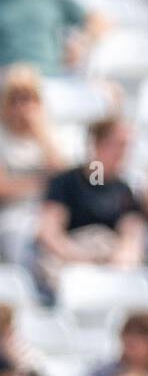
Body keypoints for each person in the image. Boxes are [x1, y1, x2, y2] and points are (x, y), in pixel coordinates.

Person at [36, 118, 144, 293]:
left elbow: (131, 236)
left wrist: (120, 259)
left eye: (126, 146)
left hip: (109, 259)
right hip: (71, 256)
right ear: (96, 144)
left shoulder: (124, 189)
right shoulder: (66, 182)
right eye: (117, 145)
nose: (123, 152)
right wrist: (78, 257)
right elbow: (49, 232)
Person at [0, 64, 70, 266]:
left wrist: (41, 136)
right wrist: (42, 184)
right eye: (16, 100)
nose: (22, 107)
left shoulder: (52, 139)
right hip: (11, 217)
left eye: (28, 99)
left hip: (49, 216)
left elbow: (66, 182)